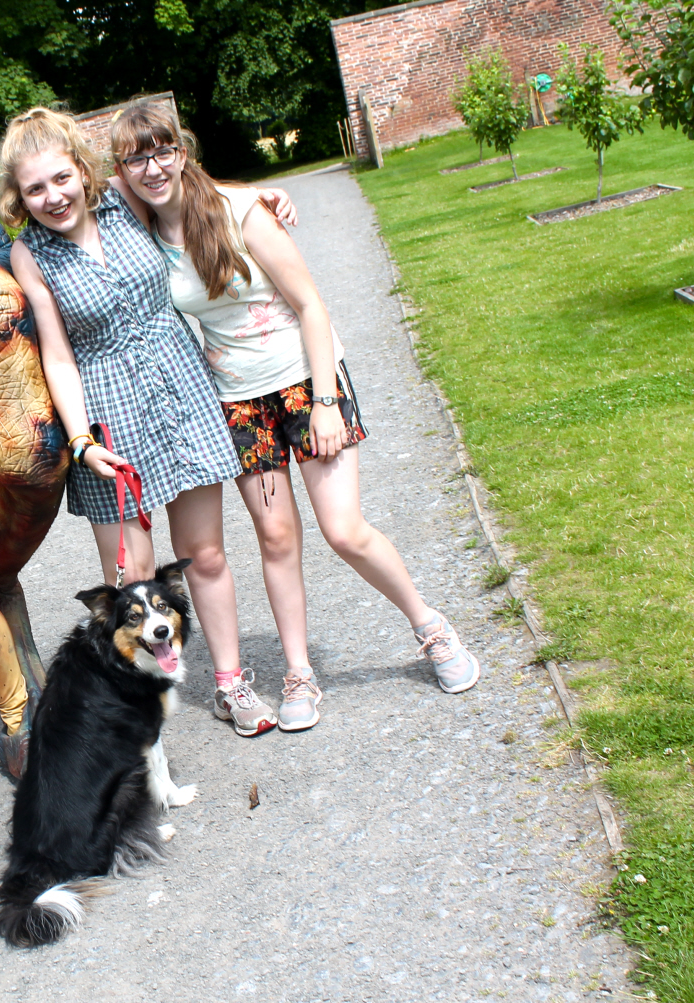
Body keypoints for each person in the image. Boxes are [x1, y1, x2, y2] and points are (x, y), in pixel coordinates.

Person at [109, 102, 480, 733]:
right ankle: (299, 672)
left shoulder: (239, 211)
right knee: (277, 539)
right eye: (135, 158)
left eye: (163, 151)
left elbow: (310, 304)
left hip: (308, 383)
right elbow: (89, 188)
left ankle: (431, 628)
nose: (152, 167)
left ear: (183, 151)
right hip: (238, 400)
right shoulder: (145, 232)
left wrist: (327, 403)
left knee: (343, 530)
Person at [0, 107, 295, 737]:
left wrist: (256, 195)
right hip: (106, 419)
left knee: (204, 554)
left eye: (61, 178)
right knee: (131, 579)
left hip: (180, 391)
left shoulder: (123, 200)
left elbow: (185, 186)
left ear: (82, 171)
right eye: (35, 189)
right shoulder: (30, 253)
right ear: (19, 197)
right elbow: (57, 352)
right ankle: (140, 719)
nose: (53, 197)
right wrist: (81, 441)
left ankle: (230, 685)